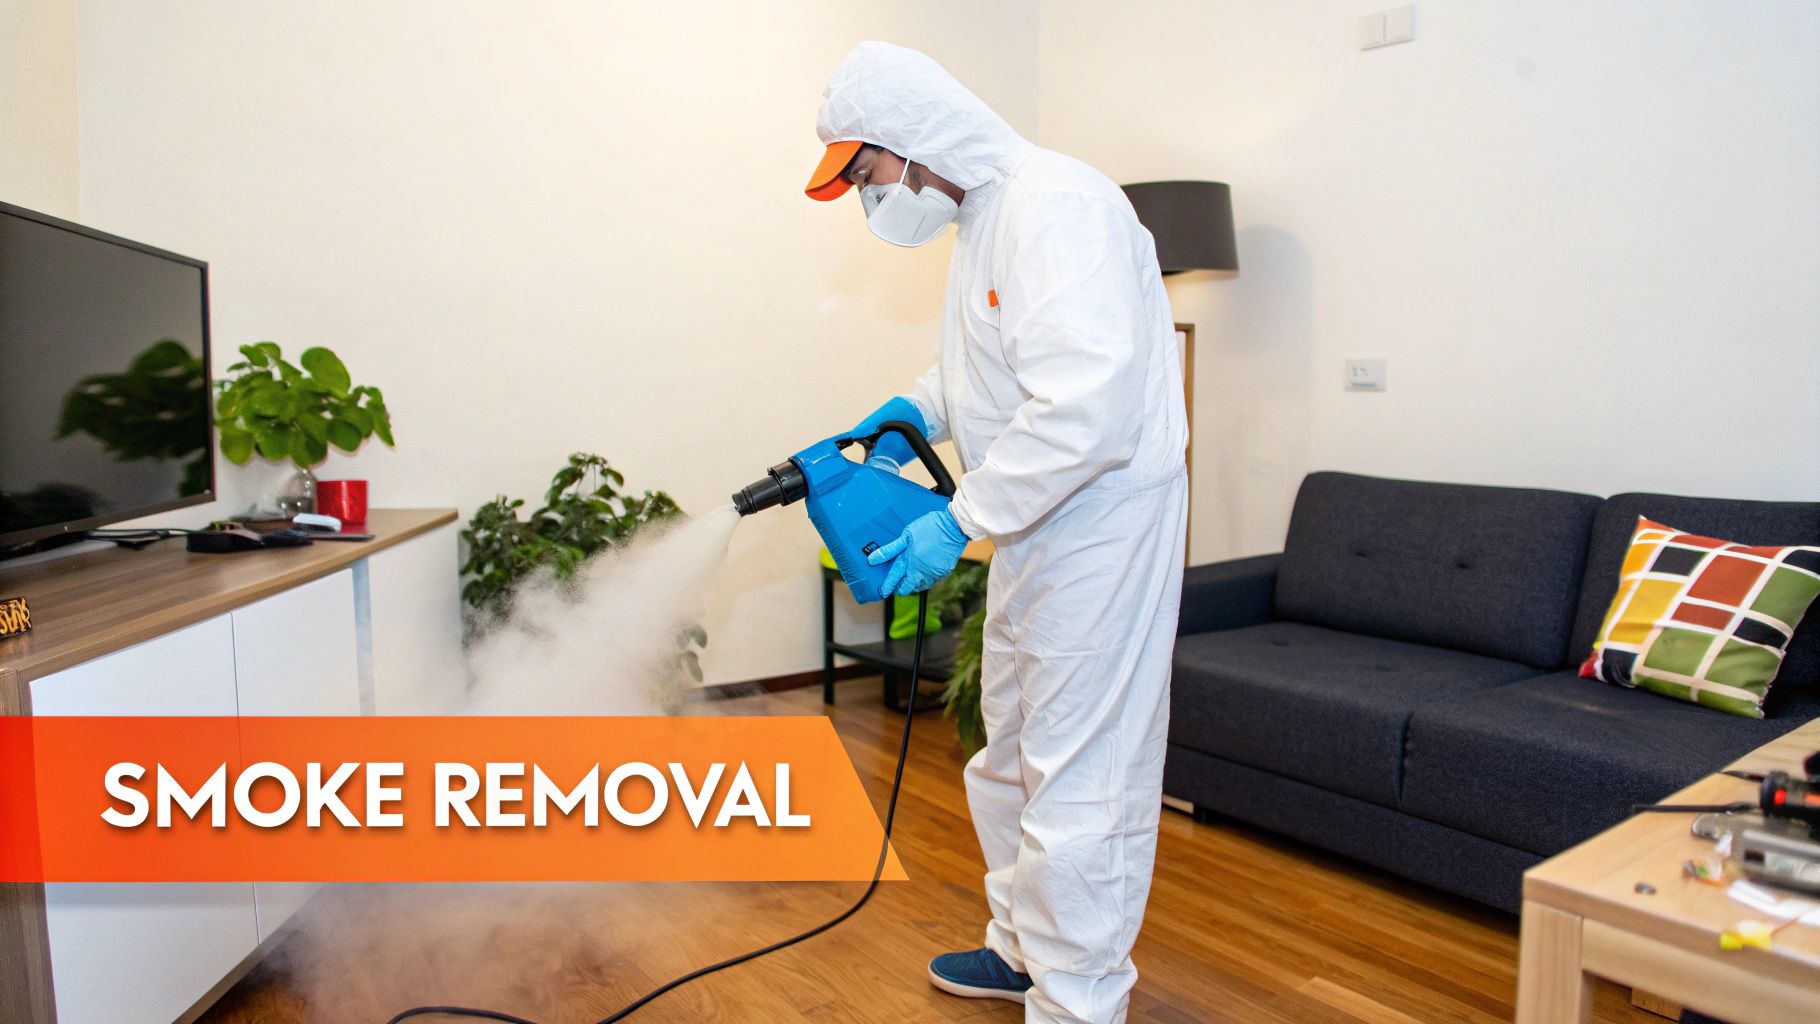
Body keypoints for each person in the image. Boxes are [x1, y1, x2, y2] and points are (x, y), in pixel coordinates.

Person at [803, 42, 1189, 1024]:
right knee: (1011, 749)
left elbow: (1085, 409)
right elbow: (990, 369)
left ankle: (1077, 1000)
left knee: (1081, 774)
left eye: (867, 171)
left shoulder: (1060, 206)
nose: (869, 197)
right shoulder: (985, 218)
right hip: (1034, 525)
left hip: (1100, 527)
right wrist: (914, 415)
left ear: (914, 139)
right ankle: (1021, 950)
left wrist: (957, 519)